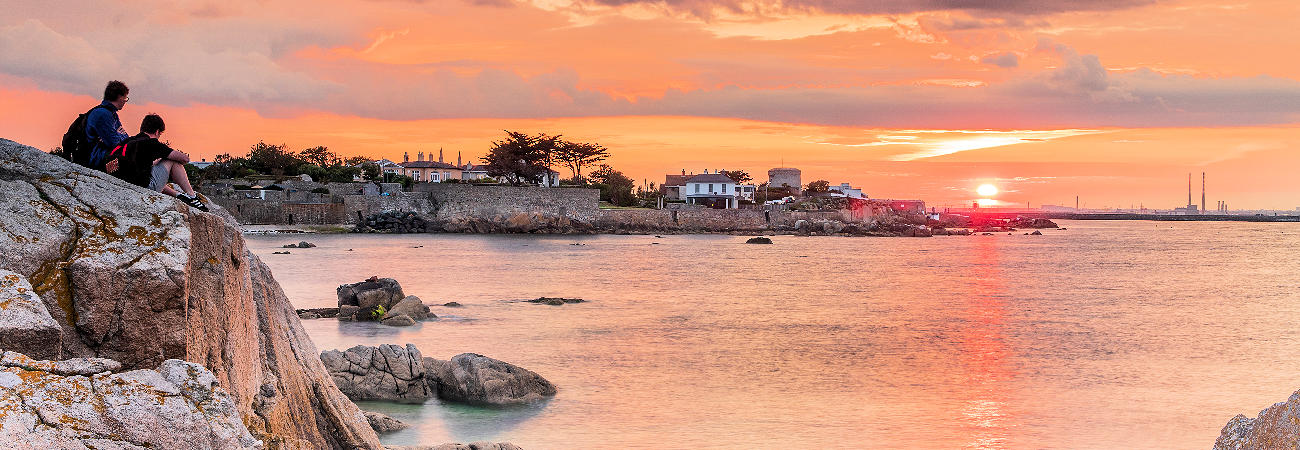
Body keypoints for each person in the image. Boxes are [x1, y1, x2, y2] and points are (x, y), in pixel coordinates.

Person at [106, 114, 208, 212]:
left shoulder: (128, 142)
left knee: (150, 172)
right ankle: (192, 196)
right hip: (142, 189)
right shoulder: (151, 143)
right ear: (157, 132)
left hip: (122, 184)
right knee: (171, 161)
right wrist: (161, 157)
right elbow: (185, 159)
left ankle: (178, 195)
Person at [85, 80, 131, 171]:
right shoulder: (103, 114)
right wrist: (118, 135)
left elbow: (126, 138)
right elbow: (114, 143)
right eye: (125, 98)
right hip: (96, 159)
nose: (125, 101)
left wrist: (116, 135)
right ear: (119, 97)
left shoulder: (112, 114)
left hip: (102, 154)